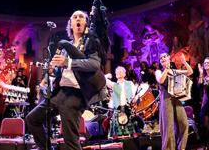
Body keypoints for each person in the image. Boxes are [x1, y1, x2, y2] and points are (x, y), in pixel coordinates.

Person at [26, 10, 107, 150]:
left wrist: (67, 62)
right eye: (74, 17)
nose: (78, 19)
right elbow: (61, 70)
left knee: (70, 140)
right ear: (71, 25)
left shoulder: (91, 42)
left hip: (76, 94)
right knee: (32, 119)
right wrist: (53, 70)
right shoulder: (65, 47)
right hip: (59, 92)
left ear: (86, 23)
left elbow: (94, 64)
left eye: (81, 17)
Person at [155, 52, 193, 150]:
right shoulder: (158, 71)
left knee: (184, 123)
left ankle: (181, 147)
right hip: (166, 99)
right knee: (169, 127)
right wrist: (167, 69)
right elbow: (161, 80)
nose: (162, 58)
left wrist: (184, 62)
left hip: (177, 98)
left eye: (165, 57)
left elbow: (190, 72)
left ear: (169, 59)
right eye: (161, 58)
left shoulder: (173, 71)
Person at [109, 66, 136, 137]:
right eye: (117, 72)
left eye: (121, 71)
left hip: (128, 109)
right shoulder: (113, 85)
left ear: (124, 74)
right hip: (117, 110)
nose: (119, 73)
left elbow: (134, 95)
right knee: (117, 135)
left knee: (131, 134)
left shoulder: (130, 83)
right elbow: (104, 81)